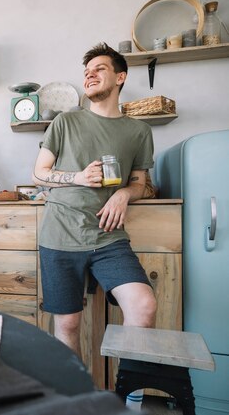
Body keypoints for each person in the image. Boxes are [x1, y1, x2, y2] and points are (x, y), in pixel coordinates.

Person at [33, 42, 157, 358]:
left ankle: (130, 397)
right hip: (60, 235)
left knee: (143, 306)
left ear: (121, 78)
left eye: (99, 69)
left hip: (109, 238)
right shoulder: (65, 122)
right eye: (87, 72)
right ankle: (78, 401)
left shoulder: (139, 131)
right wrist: (77, 177)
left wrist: (123, 194)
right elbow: (39, 172)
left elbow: (140, 183)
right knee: (69, 325)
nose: (90, 76)